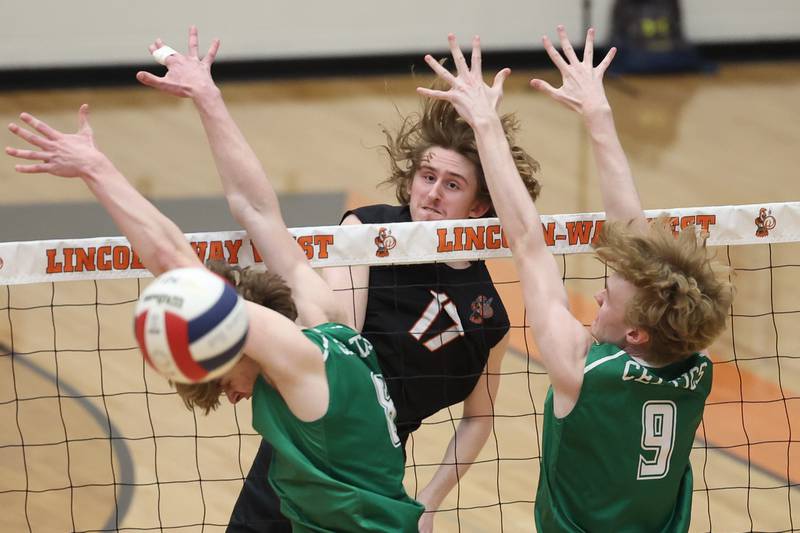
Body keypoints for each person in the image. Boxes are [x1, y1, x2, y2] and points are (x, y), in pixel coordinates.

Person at [135, 27, 541, 532]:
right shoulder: (367, 233)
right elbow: (338, 341)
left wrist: (431, 501)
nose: (432, 193)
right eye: (426, 176)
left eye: (452, 185)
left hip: (375, 480)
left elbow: (479, 417)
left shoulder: (486, 312)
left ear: (480, 206)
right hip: (305, 450)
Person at [5, 106, 423, 532]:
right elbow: (258, 210)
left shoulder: (299, 360)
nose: (235, 398)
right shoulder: (328, 321)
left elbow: (171, 260)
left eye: (223, 382)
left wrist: (96, 169)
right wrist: (206, 97)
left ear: (230, 338)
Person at [417, 27, 733, 531]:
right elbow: (635, 242)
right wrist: (598, 119)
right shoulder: (695, 367)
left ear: (636, 333)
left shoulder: (581, 374)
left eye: (609, 299)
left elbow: (526, 239)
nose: (601, 293)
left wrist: (485, 124)